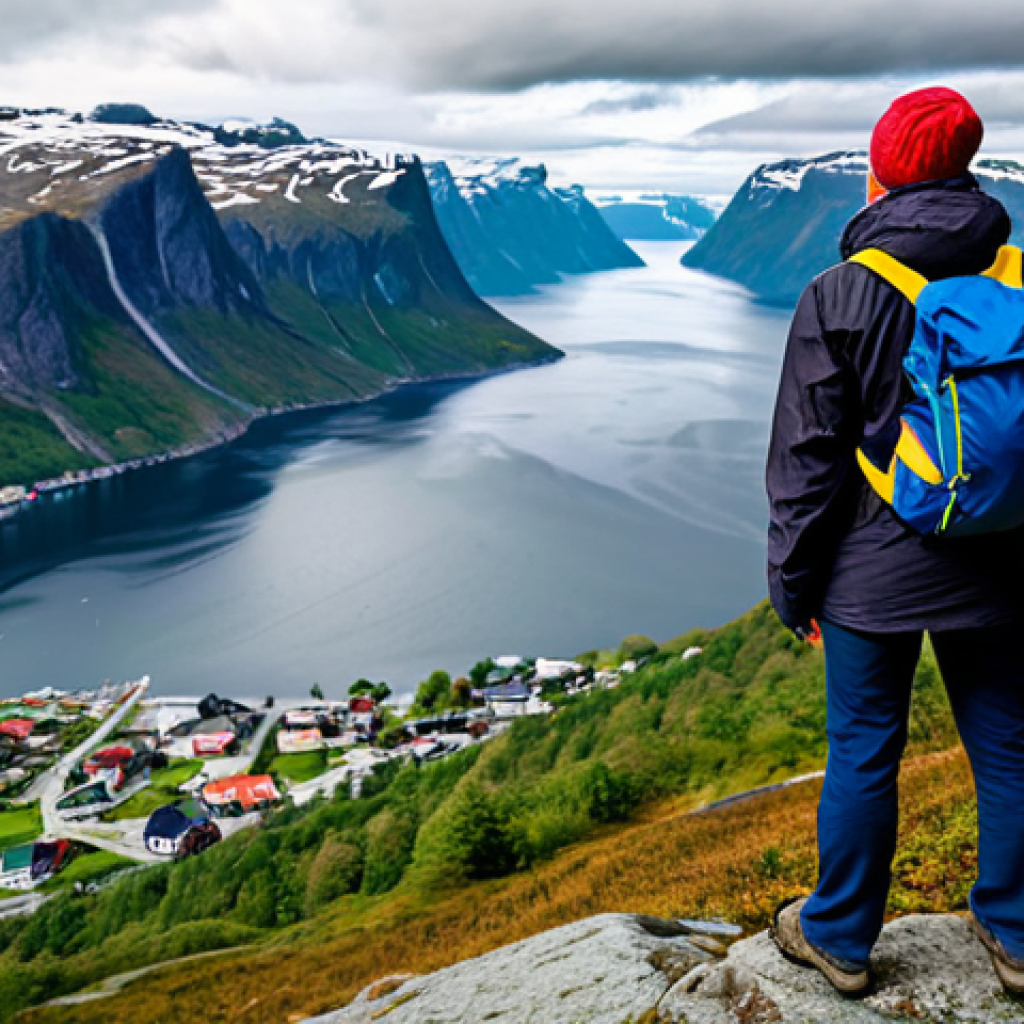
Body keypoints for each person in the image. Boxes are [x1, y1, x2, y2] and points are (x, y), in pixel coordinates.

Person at [766, 87, 1024, 996]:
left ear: (880, 175)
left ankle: (837, 936)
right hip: (999, 564)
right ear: (967, 172)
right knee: (1009, 748)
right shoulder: (1016, 272)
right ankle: (1019, 933)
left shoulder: (840, 292)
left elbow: (805, 462)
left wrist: (794, 590)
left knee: (866, 746)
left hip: (871, 579)